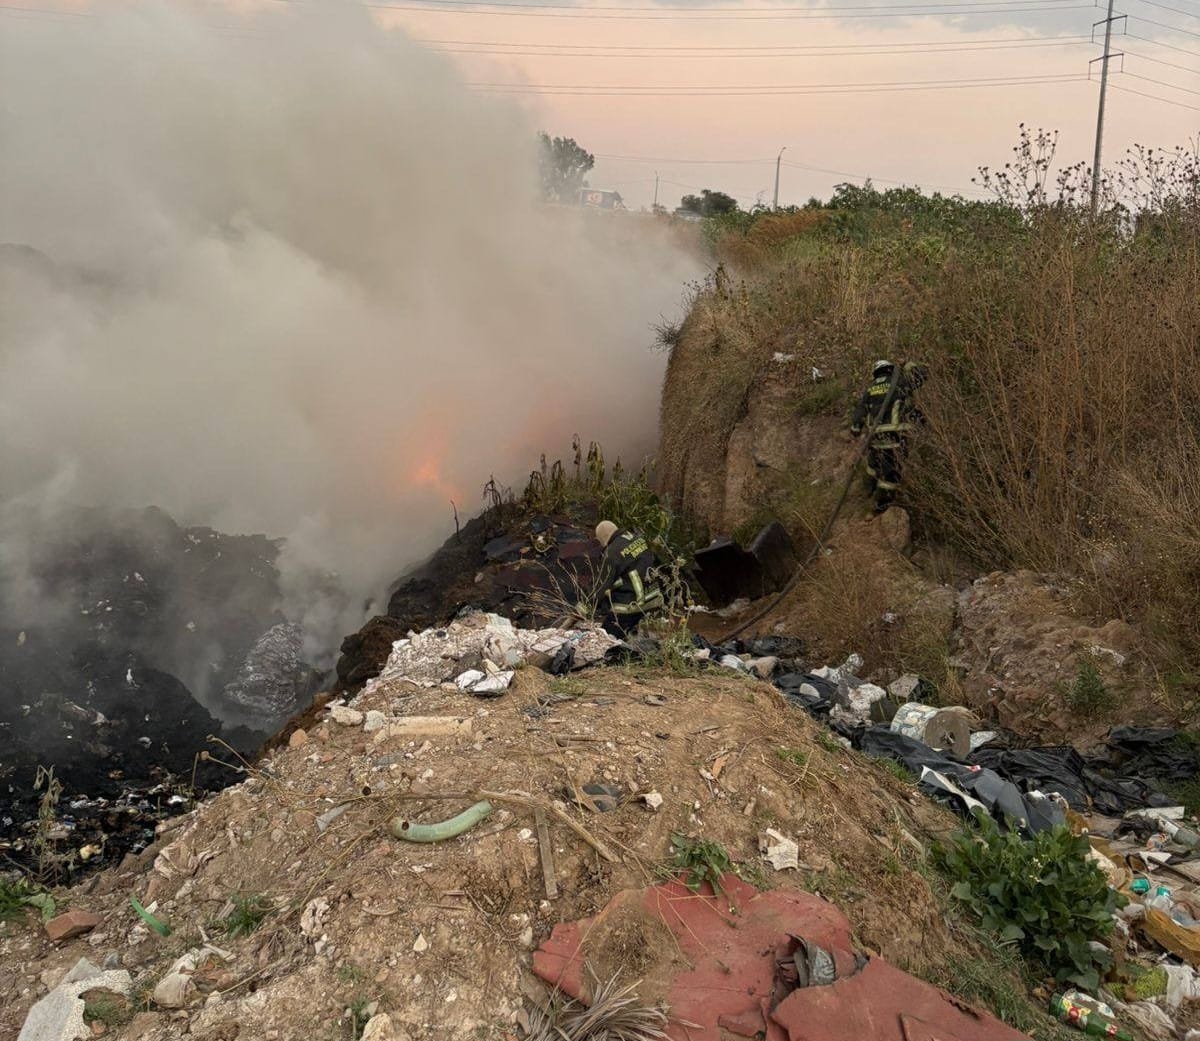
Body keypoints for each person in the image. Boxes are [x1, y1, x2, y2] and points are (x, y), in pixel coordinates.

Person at [850, 359, 926, 512]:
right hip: (896, 435)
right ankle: (882, 506)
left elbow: (859, 412)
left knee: (874, 464)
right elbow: (922, 374)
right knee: (891, 471)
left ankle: (869, 489)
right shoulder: (899, 383)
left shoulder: (870, 389)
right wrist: (907, 365)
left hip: (876, 437)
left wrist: (855, 428)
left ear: (876, 373)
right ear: (891, 370)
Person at [590, 520, 665, 636]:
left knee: (606, 636)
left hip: (631, 607)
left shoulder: (611, 553)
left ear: (602, 539)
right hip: (654, 599)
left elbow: (600, 585)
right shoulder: (638, 539)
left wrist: (585, 606)